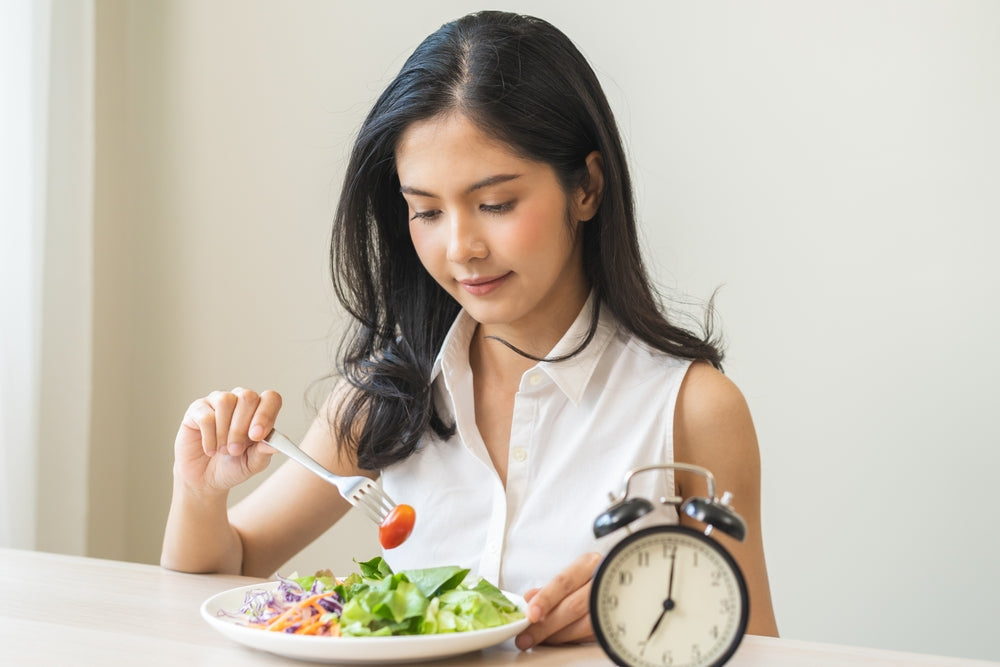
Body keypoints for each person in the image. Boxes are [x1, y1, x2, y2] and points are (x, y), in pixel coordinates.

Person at [160, 10, 779, 648]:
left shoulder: (692, 410)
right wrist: (200, 493)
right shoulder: (386, 399)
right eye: (426, 211)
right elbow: (219, 577)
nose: (460, 248)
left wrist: (645, 608)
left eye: (495, 205)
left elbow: (759, 646)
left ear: (586, 187)